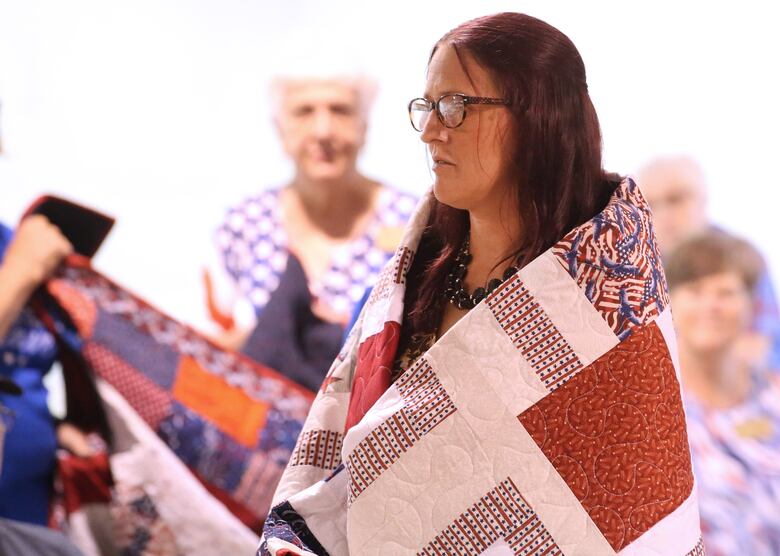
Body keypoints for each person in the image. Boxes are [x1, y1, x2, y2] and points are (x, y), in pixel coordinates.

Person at [256, 13, 700, 555]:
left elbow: (628, 516)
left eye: (457, 106)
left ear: (539, 116)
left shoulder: (605, 293)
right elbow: (346, 462)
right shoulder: (415, 274)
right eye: (428, 106)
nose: (430, 130)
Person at [205, 72, 417, 390]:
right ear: (280, 128)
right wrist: (274, 328)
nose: (323, 131)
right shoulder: (243, 225)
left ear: (365, 125)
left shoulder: (413, 221)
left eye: (340, 111)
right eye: (304, 112)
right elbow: (204, 350)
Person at [666, 230, 780, 555]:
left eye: (725, 292)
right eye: (695, 291)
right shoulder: (655, 408)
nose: (710, 305)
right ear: (669, 302)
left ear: (752, 305)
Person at [638, 155, 780, 373]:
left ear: (703, 200)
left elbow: (755, 347)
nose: (664, 215)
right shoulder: (637, 271)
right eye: (651, 205)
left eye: (675, 200)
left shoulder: (739, 257)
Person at [0, 215, 90, 525]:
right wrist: (20, 271)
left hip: (30, 514)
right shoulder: (26, 255)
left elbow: (22, 372)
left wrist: (55, 428)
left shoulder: (18, 242)